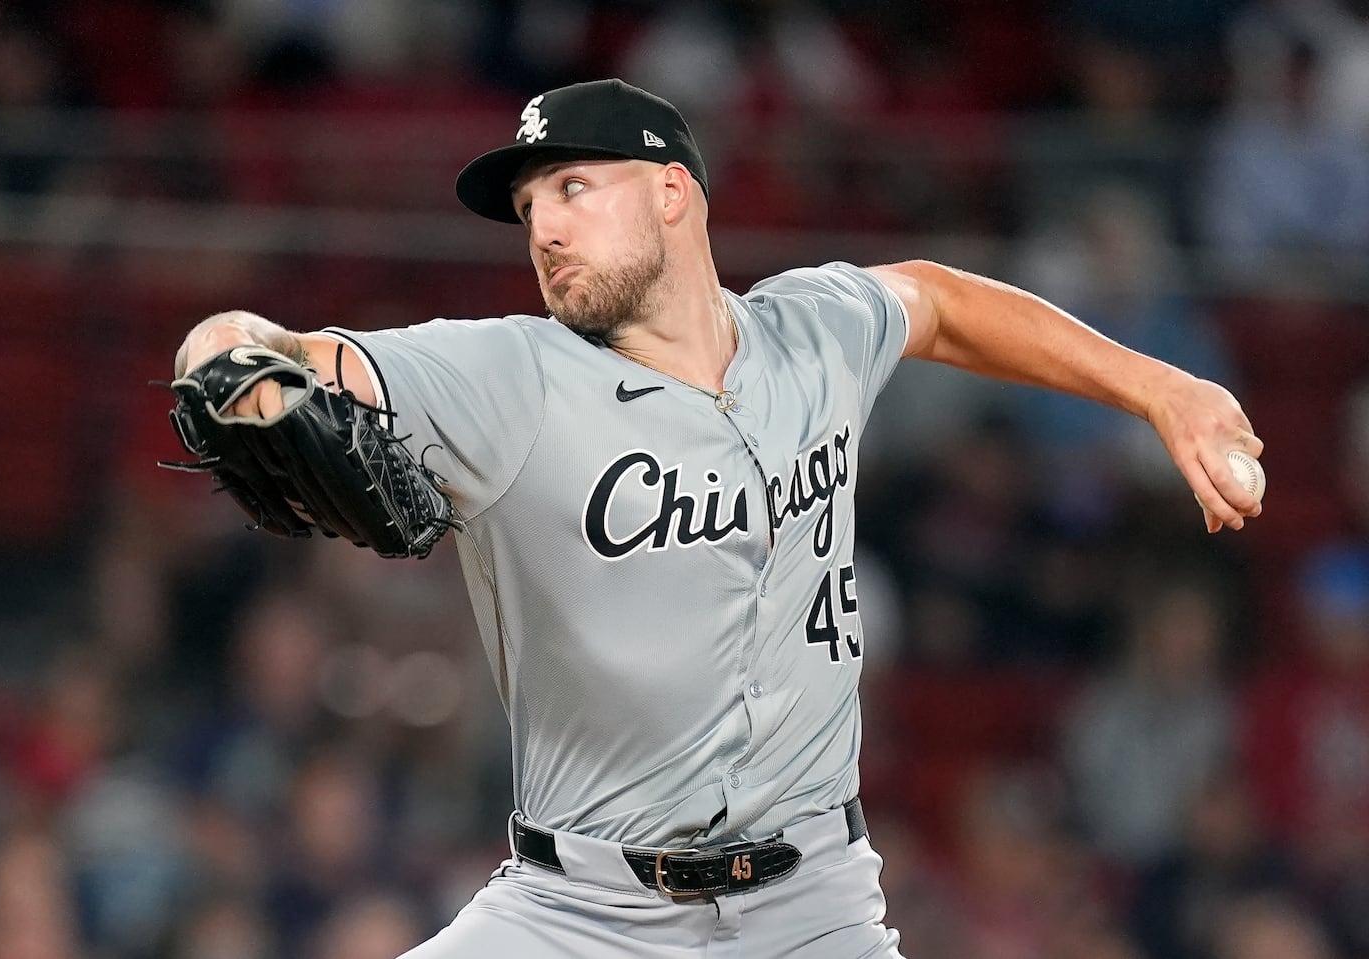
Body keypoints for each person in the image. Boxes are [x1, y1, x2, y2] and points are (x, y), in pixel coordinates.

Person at [173, 78, 1264, 958]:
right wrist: (228, 355)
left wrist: (1157, 387)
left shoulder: (812, 333)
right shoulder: (511, 374)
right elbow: (264, 346)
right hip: (580, 913)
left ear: (672, 194)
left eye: (572, 187)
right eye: (529, 208)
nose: (544, 226)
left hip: (814, 907)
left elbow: (936, 299)